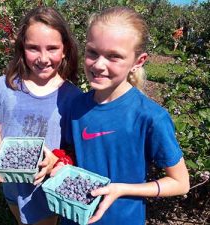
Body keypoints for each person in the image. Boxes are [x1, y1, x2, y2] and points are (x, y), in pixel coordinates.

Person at [58, 6, 190, 225]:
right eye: (92, 52)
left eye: (114, 57)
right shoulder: (77, 105)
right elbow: (73, 154)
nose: (99, 65)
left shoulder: (150, 117)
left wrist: (120, 189)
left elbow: (180, 182)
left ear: (138, 61)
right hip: (73, 218)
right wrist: (60, 163)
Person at [0, 6, 82, 225]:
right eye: (33, 48)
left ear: (65, 49)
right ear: (22, 48)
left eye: (52, 48)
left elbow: (78, 149)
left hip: (47, 192)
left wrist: (55, 159)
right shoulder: (3, 86)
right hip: (12, 185)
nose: (43, 58)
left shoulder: (73, 97)